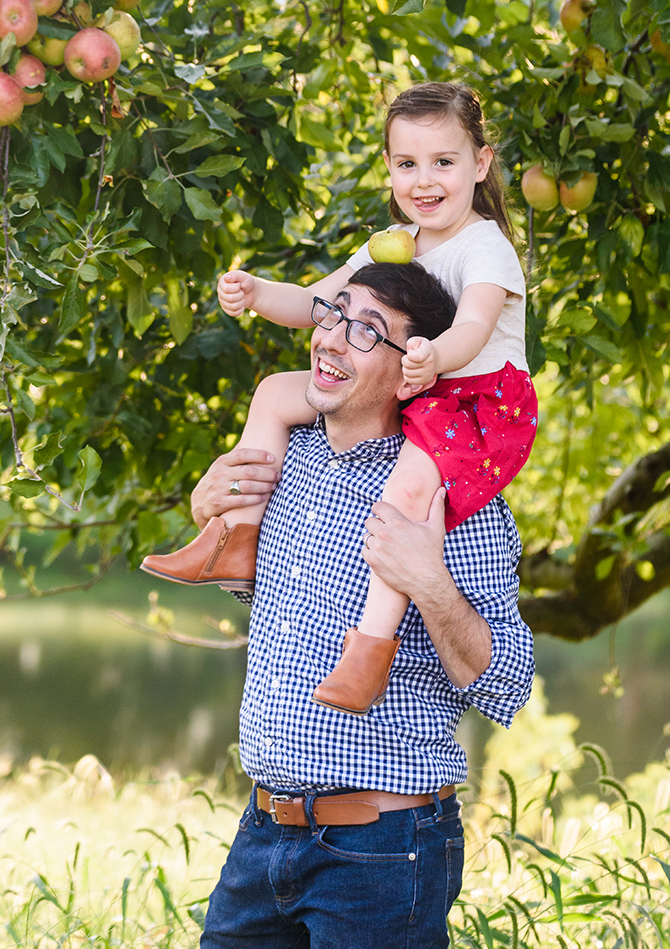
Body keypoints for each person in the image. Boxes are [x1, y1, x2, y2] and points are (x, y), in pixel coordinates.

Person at [142, 81, 537, 716]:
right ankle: (235, 536)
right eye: (407, 163)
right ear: (389, 166)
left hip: (470, 401)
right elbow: (316, 301)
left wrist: (434, 357)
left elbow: (472, 327)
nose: (424, 180)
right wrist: (259, 292)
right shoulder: (396, 241)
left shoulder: (484, 246)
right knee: (273, 392)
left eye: (444, 161)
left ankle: (370, 649)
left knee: (403, 499)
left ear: (481, 163)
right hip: (420, 384)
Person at [190, 261, 535, 948]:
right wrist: (212, 517)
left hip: (383, 850)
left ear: (413, 371)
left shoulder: (447, 502)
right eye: (334, 315)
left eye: (366, 332)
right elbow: (278, 605)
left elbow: (507, 686)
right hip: (263, 835)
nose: (330, 339)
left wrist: (428, 581)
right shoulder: (288, 459)